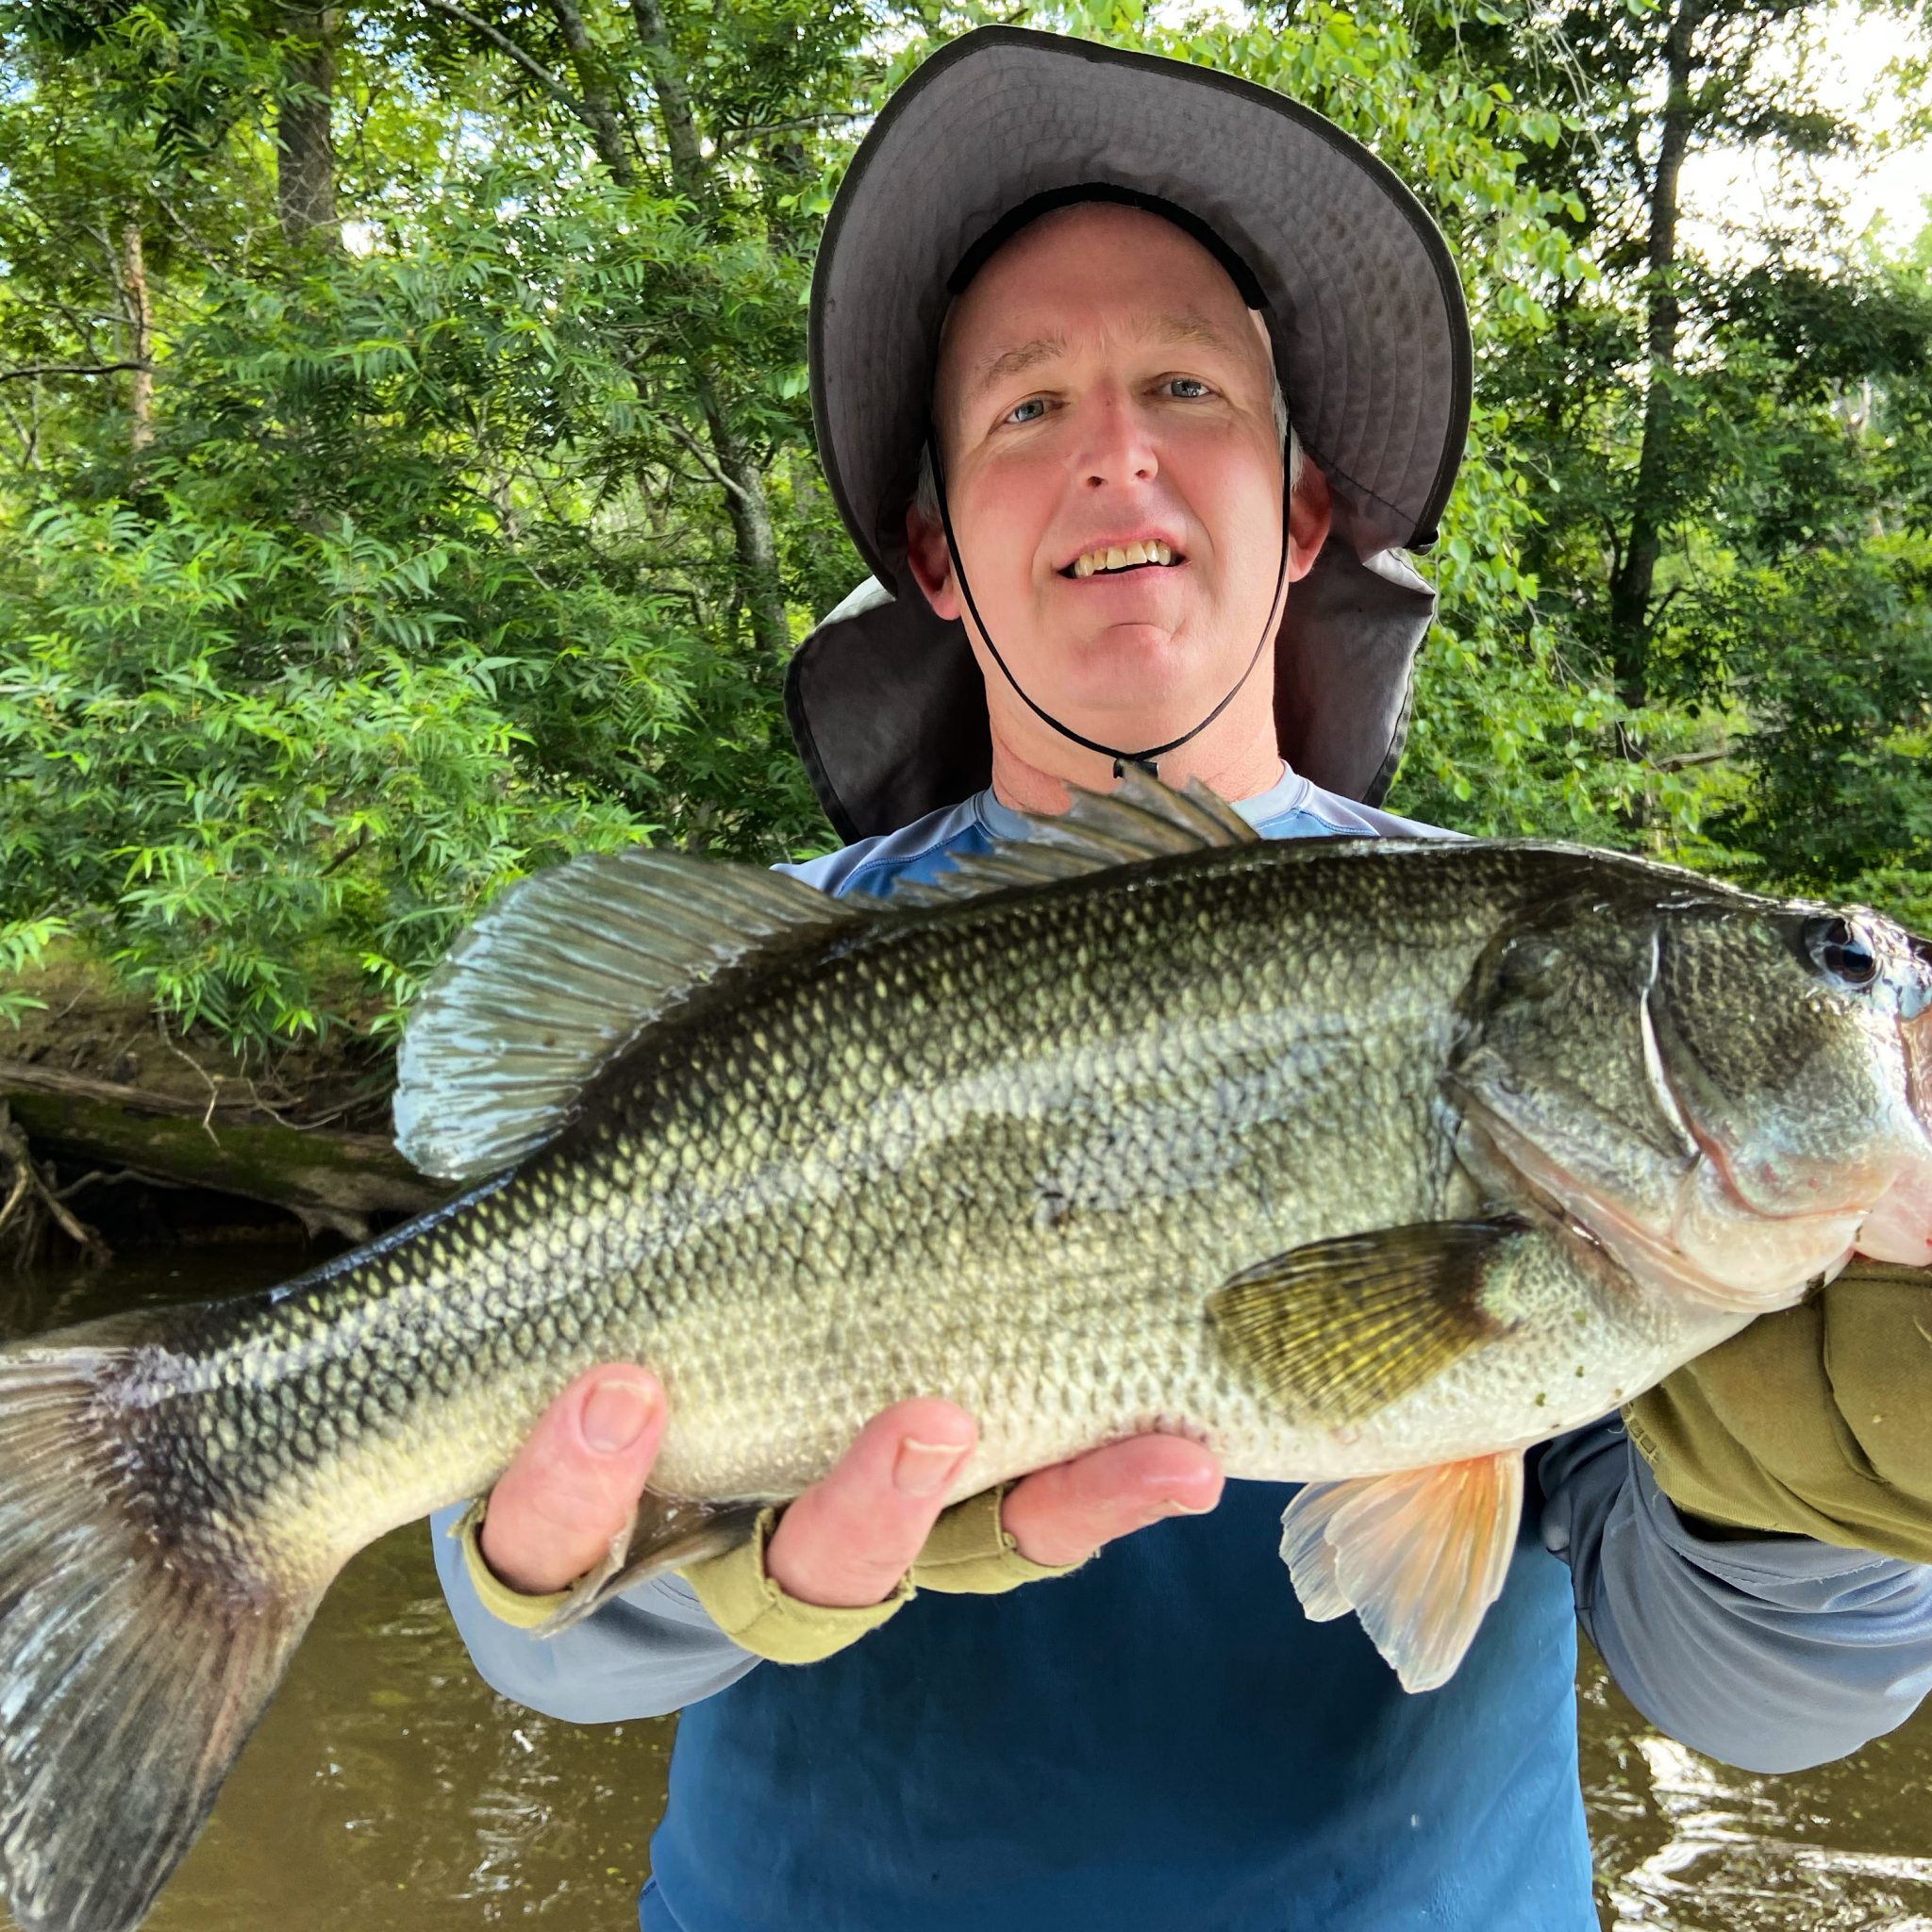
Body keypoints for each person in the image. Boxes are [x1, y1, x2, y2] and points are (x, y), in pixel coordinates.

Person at [431, 27, 1932, 1930]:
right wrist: (615, 1566)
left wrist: (1813, 1477)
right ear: (936, 555)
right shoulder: (771, 975)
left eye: (1183, 386)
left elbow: (1752, 1707)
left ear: (1302, 512)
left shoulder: (1536, 1026)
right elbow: (540, 1655)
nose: (1114, 449)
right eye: (1024, 409)